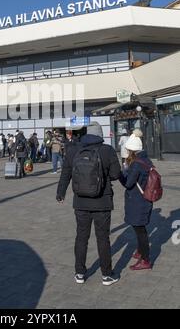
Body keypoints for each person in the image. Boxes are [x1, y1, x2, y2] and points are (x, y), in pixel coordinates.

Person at [56, 122, 121, 286]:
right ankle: (107, 275)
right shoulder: (107, 150)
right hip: (102, 202)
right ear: (100, 134)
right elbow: (115, 174)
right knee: (103, 239)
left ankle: (79, 273)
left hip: (80, 202)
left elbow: (65, 174)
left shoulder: (73, 151)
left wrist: (60, 193)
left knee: (81, 237)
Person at [119, 133, 153, 271]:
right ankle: (140, 250)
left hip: (138, 201)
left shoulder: (136, 165)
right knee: (139, 227)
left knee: (140, 231)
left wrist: (121, 174)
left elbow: (128, 183)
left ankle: (145, 259)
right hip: (144, 198)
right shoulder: (146, 160)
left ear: (132, 150)